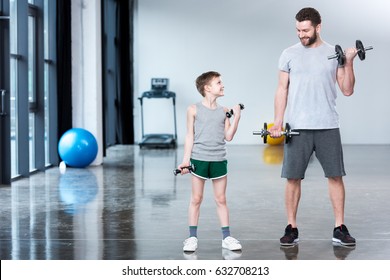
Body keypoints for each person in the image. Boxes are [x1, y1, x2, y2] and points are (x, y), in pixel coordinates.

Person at [269, 7, 357, 247]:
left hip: (328, 125)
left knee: (336, 176)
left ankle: (339, 228)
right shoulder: (288, 54)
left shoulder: (334, 53)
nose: (301, 34)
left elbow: (347, 89)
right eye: (298, 30)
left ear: (318, 27)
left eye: (305, 30)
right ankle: (291, 227)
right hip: (297, 126)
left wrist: (348, 62)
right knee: (292, 177)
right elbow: (281, 89)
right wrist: (278, 121)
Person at [177, 71, 242, 252]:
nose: (222, 85)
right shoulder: (193, 109)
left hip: (219, 159)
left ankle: (227, 237)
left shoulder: (224, 112)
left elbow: (228, 136)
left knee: (221, 199)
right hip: (199, 159)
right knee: (196, 199)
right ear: (207, 88)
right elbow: (189, 136)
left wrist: (236, 117)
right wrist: (185, 161)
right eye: (218, 82)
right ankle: (191, 238)